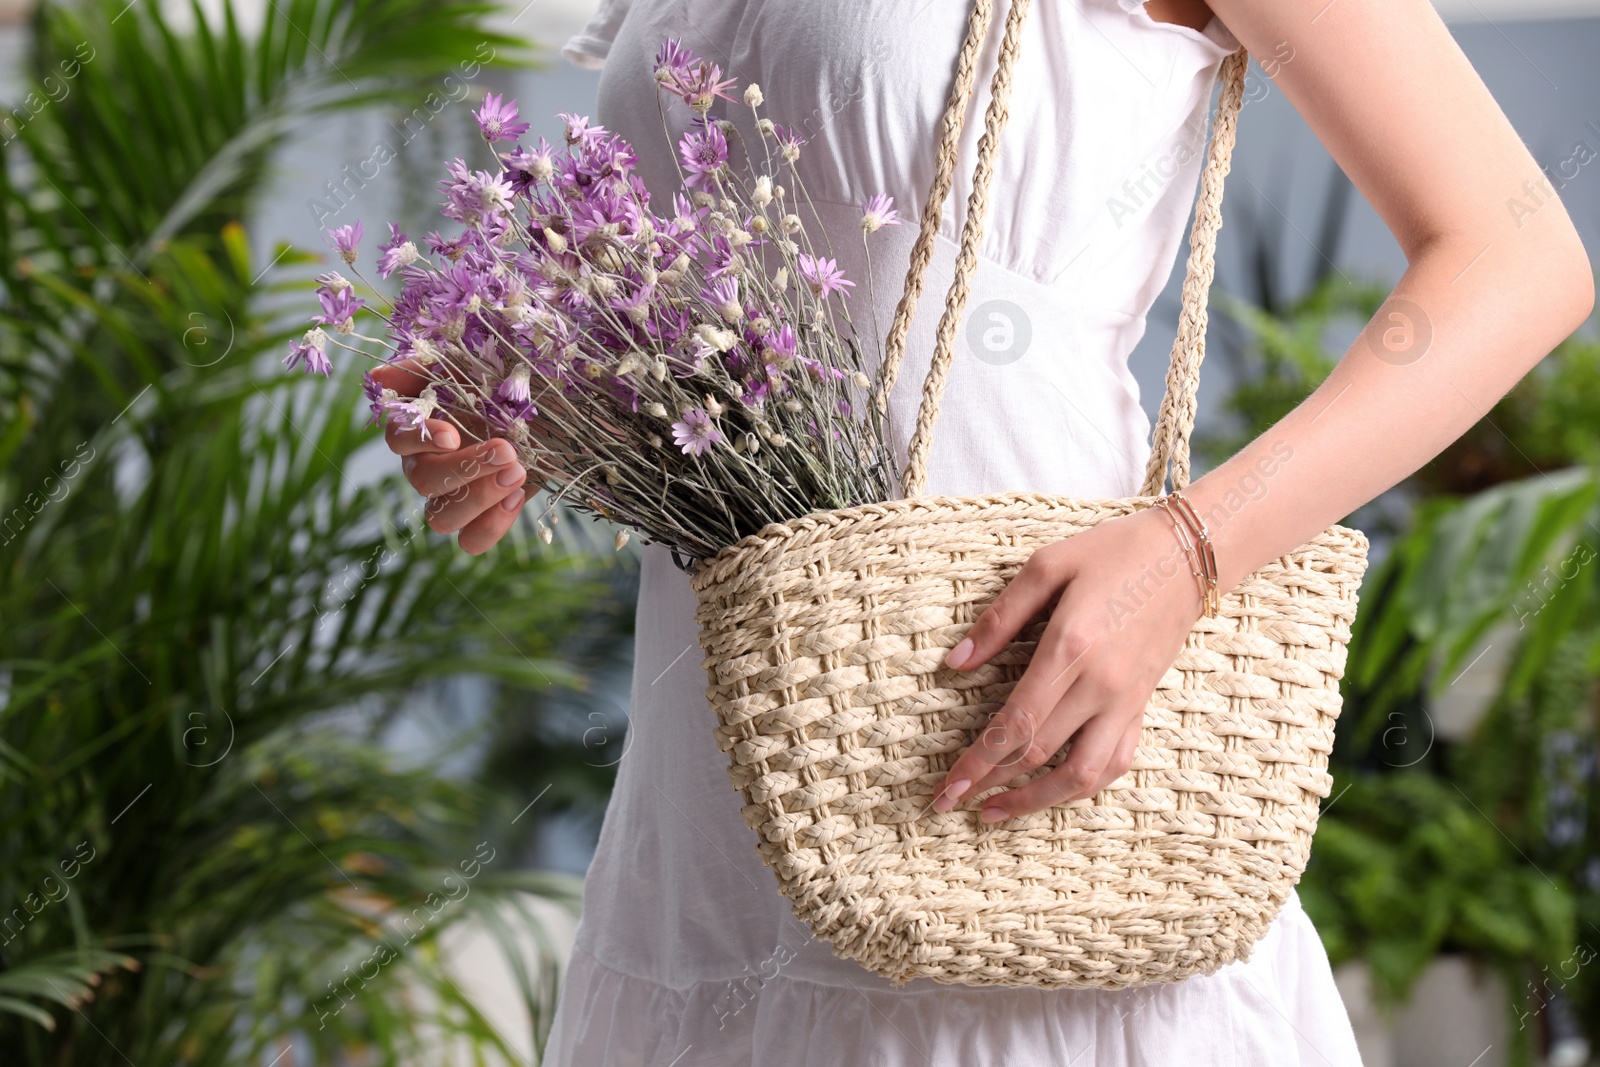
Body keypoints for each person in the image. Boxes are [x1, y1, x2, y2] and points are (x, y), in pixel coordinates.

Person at [372, 0, 1595, 1062]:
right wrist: (532, 404)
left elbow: (1515, 253)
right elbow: (733, 324)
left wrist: (1191, 549)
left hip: (1028, 711)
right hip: (719, 800)